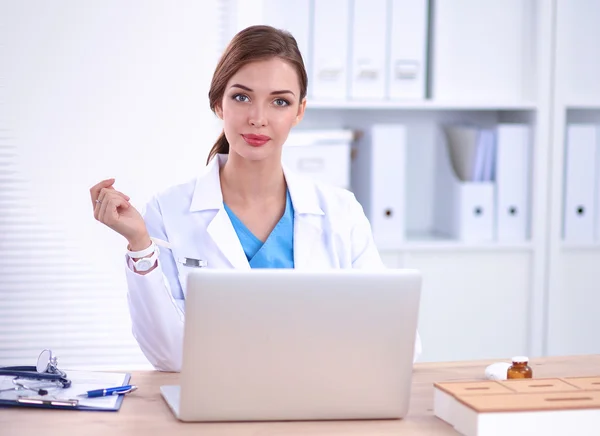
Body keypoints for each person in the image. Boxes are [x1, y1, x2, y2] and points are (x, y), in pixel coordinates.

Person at [90, 25, 422, 371]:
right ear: (219, 103)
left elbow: (400, 342)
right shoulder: (168, 210)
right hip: (217, 410)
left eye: (280, 101)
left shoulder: (340, 212)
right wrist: (140, 244)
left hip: (317, 404)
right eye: (242, 97)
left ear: (299, 111)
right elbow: (169, 356)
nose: (258, 119)